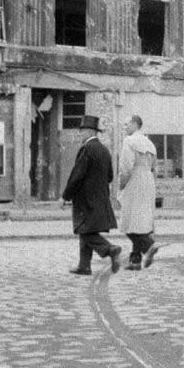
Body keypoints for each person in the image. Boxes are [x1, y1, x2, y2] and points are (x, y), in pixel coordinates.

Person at [61, 115, 122, 276]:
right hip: (100, 197)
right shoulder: (104, 149)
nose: (81, 135)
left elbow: (77, 175)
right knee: (86, 229)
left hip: (85, 199)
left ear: (89, 131)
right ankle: (84, 266)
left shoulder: (87, 149)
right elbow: (110, 176)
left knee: (84, 230)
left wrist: (66, 196)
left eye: (82, 132)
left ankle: (110, 249)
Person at [117, 115, 160, 271]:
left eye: (127, 124)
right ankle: (135, 261)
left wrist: (121, 186)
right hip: (147, 181)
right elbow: (155, 167)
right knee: (141, 220)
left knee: (129, 220)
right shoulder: (149, 142)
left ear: (135, 124)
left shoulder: (129, 141)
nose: (125, 127)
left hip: (134, 180)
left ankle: (148, 246)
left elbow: (126, 167)